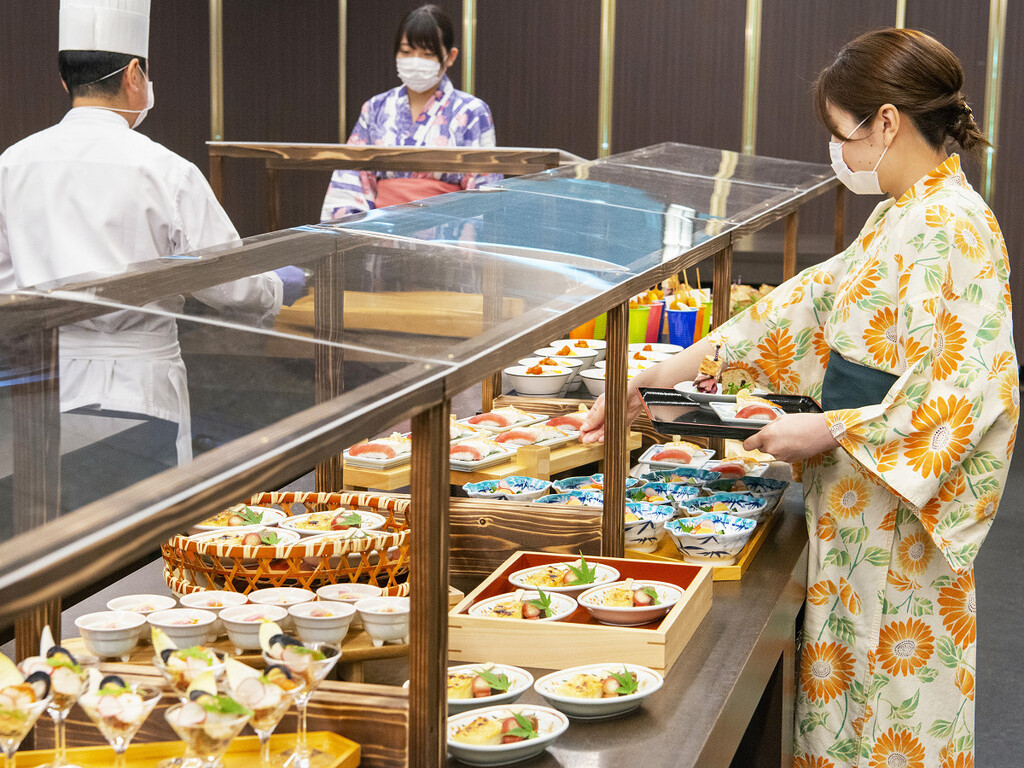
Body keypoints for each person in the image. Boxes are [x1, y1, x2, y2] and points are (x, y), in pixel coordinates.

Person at [580, 29, 1015, 766]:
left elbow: (969, 389)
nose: (838, 154)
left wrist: (828, 433)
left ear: (885, 122)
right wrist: (674, 369)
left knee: (890, 707)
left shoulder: (956, 227)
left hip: (896, 518)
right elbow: (811, 303)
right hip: (860, 501)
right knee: (850, 697)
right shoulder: (906, 211)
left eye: (841, 134)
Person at [0, 0, 296, 470]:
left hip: (42, 388)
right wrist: (279, 287)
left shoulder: (13, 164)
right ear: (134, 74)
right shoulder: (166, 170)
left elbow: (6, 284)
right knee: (145, 533)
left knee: (62, 532)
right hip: (139, 388)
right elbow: (229, 284)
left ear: (64, 80)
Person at [319, 4, 500, 222]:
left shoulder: (472, 112)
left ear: (450, 57)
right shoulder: (375, 108)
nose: (415, 61)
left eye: (427, 54)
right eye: (406, 52)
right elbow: (351, 178)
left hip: (447, 235)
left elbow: (485, 191)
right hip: (379, 234)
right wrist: (355, 234)